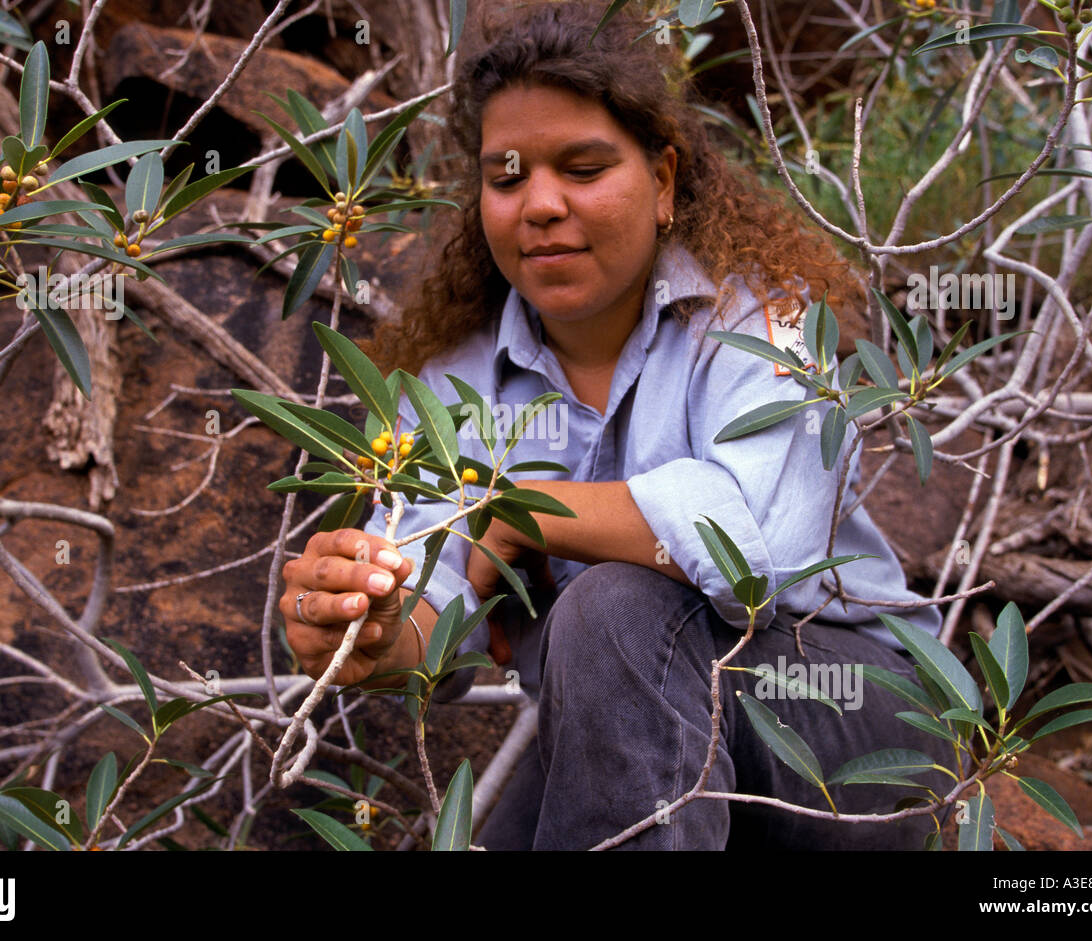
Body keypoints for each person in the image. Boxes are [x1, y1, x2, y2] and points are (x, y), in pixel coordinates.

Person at [279, 0, 956, 850]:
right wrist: (369, 628)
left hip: (856, 723)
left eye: (585, 167)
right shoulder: (455, 381)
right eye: (508, 175)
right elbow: (435, 592)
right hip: (650, 729)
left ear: (664, 180)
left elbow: (755, 550)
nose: (542, 203)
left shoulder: (768, 322)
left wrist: (523, 506)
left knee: (614, 608)